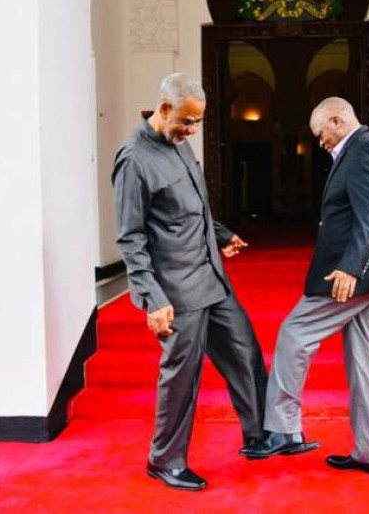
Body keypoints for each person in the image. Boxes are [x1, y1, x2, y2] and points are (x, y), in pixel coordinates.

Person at [112, 73, 268, 492]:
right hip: (176, 291)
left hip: (212, 274)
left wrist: (222, 235)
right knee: (182, 376)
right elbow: (131, 237)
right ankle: (165, 460)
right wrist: (152, 298)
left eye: (198, 122)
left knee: (245, 351)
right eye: (187, 121)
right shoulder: (134, 159)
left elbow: (192, 207)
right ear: (164, 109)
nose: (193, 130)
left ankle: (262, 435)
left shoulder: (179, 141)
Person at [242, 98, 369, 476]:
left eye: (320, 134)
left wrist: (350, 268)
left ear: (337, 119)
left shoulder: (364, 149)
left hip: (353, 275)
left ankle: (283, 429)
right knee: (361, 362)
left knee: (294, 332)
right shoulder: (358, 150)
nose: (320, 141)